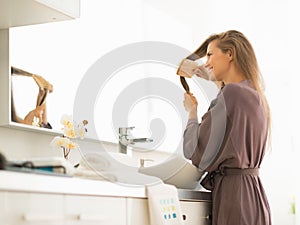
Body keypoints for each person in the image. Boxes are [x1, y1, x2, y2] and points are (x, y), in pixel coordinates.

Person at [182, 30, 272, 225]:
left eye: (210, 54)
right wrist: (210, 75)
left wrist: (192, 112)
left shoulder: (231, 94)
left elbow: (196, 151)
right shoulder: (255, 95)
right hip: (256, 196)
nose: (206, 62)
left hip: (235, 199)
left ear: (230, 53)